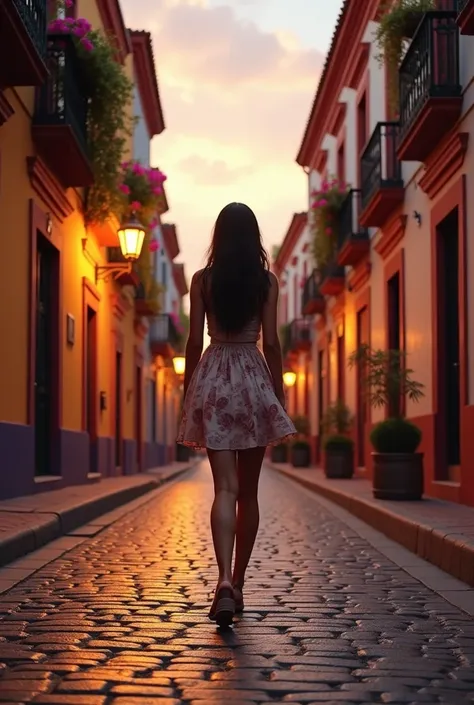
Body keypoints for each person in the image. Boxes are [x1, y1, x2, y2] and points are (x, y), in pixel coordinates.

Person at [176, 202, 296, 627]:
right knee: (250, 493)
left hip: (214, 376)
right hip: (253, 379)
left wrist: (189, 391)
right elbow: (274, 345)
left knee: (223, 489)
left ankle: (222, 580)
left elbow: (193, 342)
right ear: (254, 238)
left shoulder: (202, 281)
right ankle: (239, 584)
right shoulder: (267, 282)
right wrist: (277, 396)